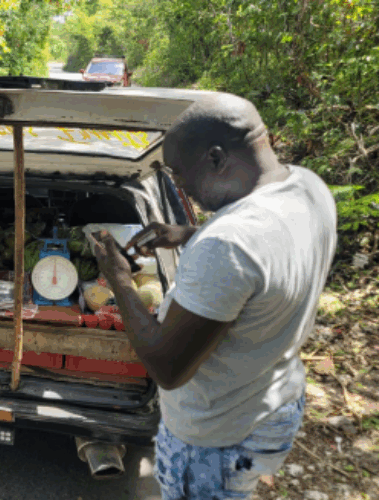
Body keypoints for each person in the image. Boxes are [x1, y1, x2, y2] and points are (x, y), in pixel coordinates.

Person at [91, 93, 337, 499]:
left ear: (217, 158)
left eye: (179, 174)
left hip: (215, 436)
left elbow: (167, 368)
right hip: (272, 402)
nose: (179, 185)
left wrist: (118, 279)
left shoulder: (228, 245)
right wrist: (188, 234)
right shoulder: (308, 187)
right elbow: (265, 252)